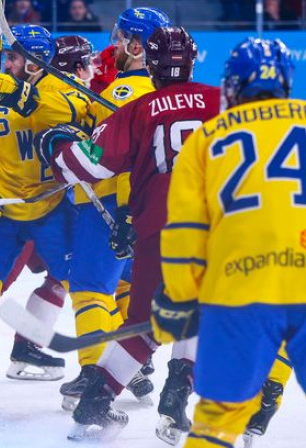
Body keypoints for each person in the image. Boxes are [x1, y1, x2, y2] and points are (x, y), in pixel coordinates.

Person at [36, 26, 221, 441]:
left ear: (151, 65)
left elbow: (85, 166)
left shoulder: (139, 110)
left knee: (143, 325)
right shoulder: (220, 102)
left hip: (160, 230)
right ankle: (176, 398)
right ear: (193, 61)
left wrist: (58, 149)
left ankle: (94, 406)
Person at [154, 37, 304, 448]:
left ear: (234, 84)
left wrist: (181, 298)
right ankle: (271, 388)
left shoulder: (205, 140)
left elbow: (186, 232)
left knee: (218, 418)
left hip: (240, 291)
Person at [56, 7, 171, 413]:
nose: (113, 42)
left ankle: (94, 371)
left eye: (119, 36)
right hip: (145, 204)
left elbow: (123, 153)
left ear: (136, 45)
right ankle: (133, 364)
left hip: (110, 200)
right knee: (123, 286)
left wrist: (123, 210)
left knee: (89, 286)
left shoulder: (125, 91)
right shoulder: (157, 88)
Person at [0, 25, 87, 384]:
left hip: (52, 208)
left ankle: (100, 372)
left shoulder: (63, 90)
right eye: (6, 56)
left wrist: (22, 95)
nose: (5, 62)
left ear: (34, 64)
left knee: (85, 285)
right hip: (2, 208)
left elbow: (74, 112)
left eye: (13, 57)